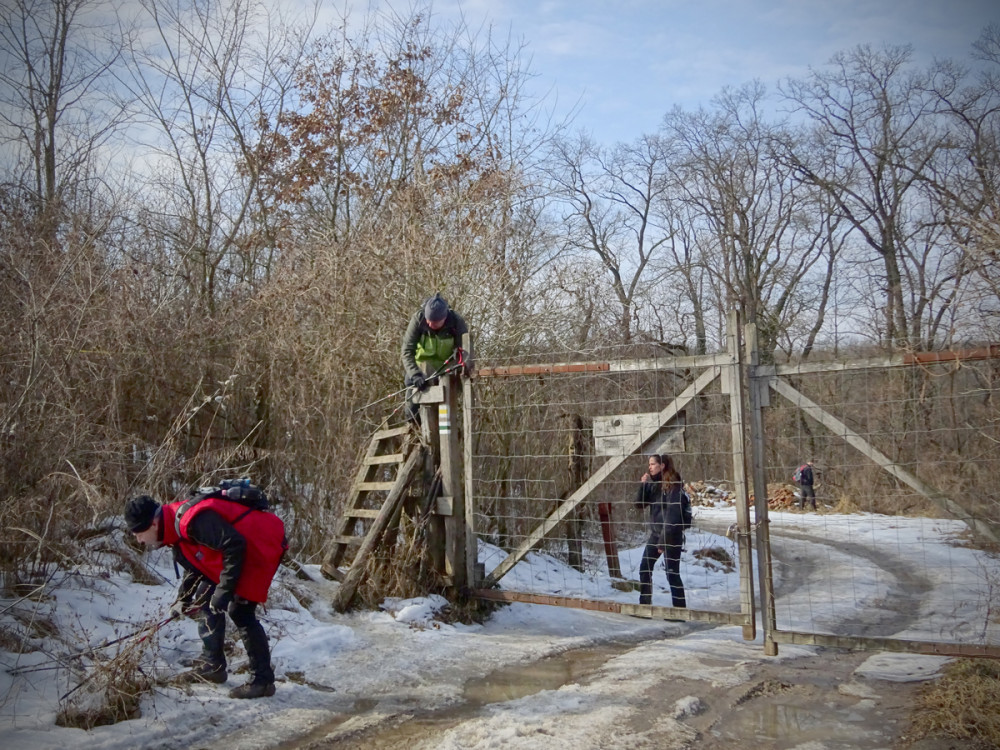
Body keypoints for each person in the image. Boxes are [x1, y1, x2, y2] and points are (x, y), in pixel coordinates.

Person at [124, 491, 286, 699]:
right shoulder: (174, 527)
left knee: (240, 611)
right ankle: (213, 665)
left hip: (262, 543)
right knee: (204, 596)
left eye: (139, 534)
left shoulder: (193, 520)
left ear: (153, 524)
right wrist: (183, 599)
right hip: (242, 547)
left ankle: (262, 681)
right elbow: (196, 566)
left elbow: (235, 545)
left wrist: (224, 592)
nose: (139, 540)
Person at [400, 293, 472, 423]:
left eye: (433, 322)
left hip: (446, 372)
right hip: (421, 371)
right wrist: (415, 374)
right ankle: (415, 430)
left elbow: (466, 351)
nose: (428, 323)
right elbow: (406, 351)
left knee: (445, 416)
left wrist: (461, 363)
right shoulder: (418, 319)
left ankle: (446, 437)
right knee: (411, 412)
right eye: (427, 320)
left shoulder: (456, 322)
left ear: (443, 319)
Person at [635, 453, 689, 609]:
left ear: (662, 465)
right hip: (656, 534)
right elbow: (639, 504)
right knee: (645, 567)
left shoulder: (674, 486)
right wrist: (643, 485)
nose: (649, 467)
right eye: (649, 464)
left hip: (671, 535)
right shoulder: (654, 485)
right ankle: (644, 606)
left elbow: (672, 517)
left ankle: (680, 610)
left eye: (652, 464)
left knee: (672, 574)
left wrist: (663, 541)